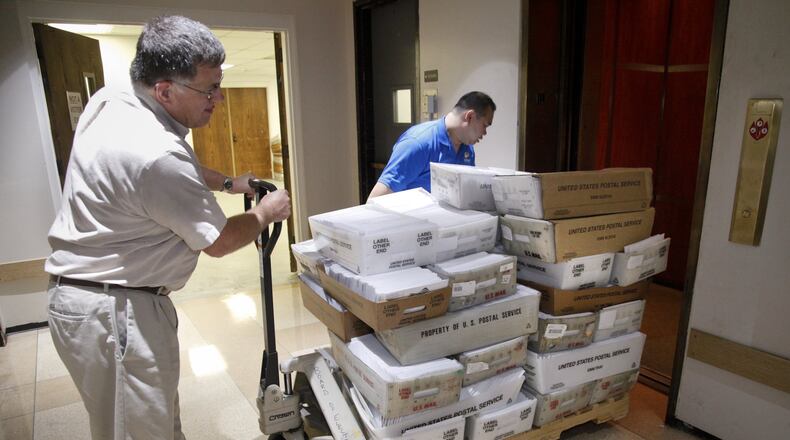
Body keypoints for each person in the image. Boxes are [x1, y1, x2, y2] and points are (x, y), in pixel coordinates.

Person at [44, 15, 290, 440]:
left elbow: (180, 166)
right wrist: (265, 213)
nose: (218, 98)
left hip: (95, 300)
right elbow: (218, 240)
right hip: (115, 314)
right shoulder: (156, 155)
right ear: (164, 90)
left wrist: (229, 183)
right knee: (139, 433)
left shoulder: (114, 100)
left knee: (152, 424)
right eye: (208, 89)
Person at [367, 91, 496, 200]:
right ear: (469, 117)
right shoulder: (418, 143)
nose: (485, 132)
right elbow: (376, 198)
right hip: (413, 226)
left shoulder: (467, 149)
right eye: (485, 125)